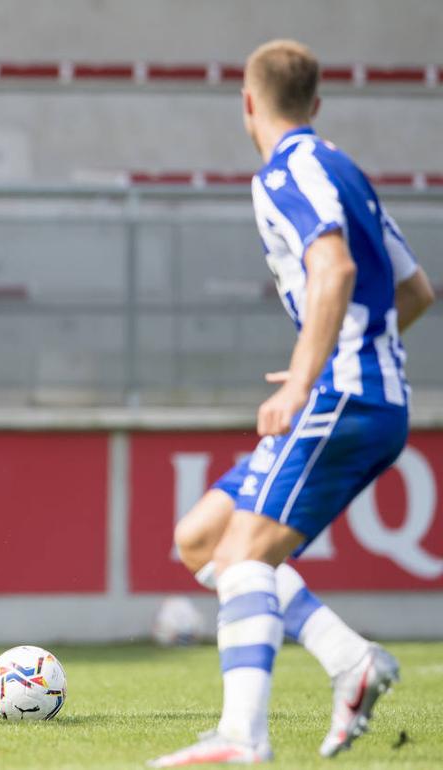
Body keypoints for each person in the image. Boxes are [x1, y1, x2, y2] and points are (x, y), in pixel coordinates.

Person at [150, 40, 434, 766]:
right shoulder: (345, 171)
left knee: (243, 552)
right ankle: (350, 659)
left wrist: (314, 373)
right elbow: (416, 292)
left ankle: (243, 738)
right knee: (203, 538)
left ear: (248, 102)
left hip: (343, 397)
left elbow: (332, 265)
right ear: (315, 102)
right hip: (363, 394)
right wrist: (348, 350)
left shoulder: (285, 173)